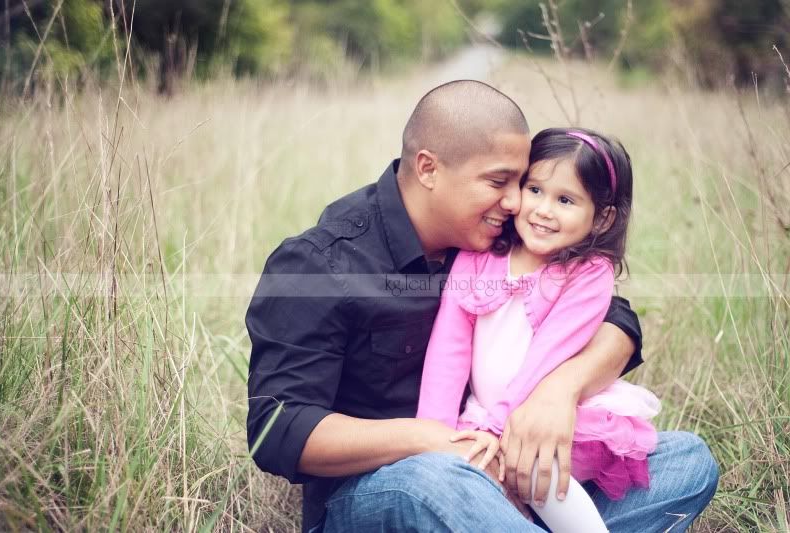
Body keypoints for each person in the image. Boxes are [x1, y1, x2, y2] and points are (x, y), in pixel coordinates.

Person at [246, 80, 718, 532]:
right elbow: (277, 429)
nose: (516, 203)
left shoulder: (498, 237)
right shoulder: (319, 262)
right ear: (429, 169)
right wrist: (435, 443)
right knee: (433, 484)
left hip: (507, 469)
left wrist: (559, 391)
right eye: (499, 182)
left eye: (523, 183)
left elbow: (614, 317)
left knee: (686, 460)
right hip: (389, 488)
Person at [416, 127, 661, 532]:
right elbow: (448, 351)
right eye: (535, 190)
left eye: (565, 200)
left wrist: (500, 431)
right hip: (480, 421)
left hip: (541, 421)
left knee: (534, 466)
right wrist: (436, 440)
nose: (544, 210)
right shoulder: (479, 255)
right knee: (459, 477)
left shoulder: (587, 274)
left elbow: (543, 361)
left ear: (603, 217)